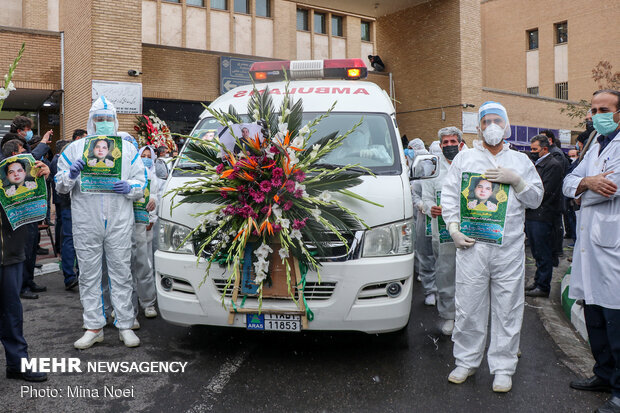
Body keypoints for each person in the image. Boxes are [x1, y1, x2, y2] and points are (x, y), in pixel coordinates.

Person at [441, 101, 543, 393]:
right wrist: (453, 228)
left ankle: (502, 367)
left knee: (507, 307)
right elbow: (449, 197)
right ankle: (466, 361)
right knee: (469, 305)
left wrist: (519, 182)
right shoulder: (465, 159)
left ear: (507, 124)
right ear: (478, 126)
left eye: (497, 120)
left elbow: (536, 199)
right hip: (472, 246)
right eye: (486, 121)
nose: (492, 126)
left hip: (508, 248)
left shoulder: (521, 161)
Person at [55, 96, 146, 349]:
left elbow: (141, 182)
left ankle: (125, 324)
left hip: (119, 220)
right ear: (91, 120)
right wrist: (71, 174)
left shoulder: (127, 148)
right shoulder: (75, 149)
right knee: (89, 274)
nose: (103, 123)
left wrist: (130, 186)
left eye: (108, 119)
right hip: (86, 221)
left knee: (121, 273)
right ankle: (94, 325)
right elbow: (61, 184)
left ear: (115, 120)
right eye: (99, 118)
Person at [564, 89, 620, 413]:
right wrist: (586, 183)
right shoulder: (594, 145)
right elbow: (568, 183)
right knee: (595, 317)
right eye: (594, 108)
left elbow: (612, 186)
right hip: (591, 248)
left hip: (613, 249)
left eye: (604, 108)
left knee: (616, 323)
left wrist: (583, 189)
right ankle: (603, 374)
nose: (596, 113)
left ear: (618, 113)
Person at [0, 158, 50, 383]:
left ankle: (17, 364)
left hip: (10, 253)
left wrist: (42, 177)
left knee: (12, 312)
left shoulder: (7, 168)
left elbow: (30, 198)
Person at [422, 126, 465, 335]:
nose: (449, 146)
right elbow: (426, 197)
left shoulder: (470, 163)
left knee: (471, 276)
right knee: (446, 274)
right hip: (443, 233)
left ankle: (468, 318)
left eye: (452, 142)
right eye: (445, 143)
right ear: (440, 146)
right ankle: (449, 317)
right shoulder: (433, 169)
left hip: (469, 231)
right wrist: (430, 208)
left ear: (461, 143)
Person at [524, 135, 563, 298]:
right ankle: (538, 281)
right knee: (536, 251)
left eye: (535, 150)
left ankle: (543, 285)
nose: (532, 153)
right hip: (534, 214)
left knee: (543, 251)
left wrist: (529, 198)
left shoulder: (552, 165)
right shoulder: (539, 164)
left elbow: (545, 192)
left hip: (543, 215)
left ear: (545, 149)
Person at [131, 145, 160, 319]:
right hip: (125, 226)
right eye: (143, 155)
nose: (146, 158)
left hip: (143, 225)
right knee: (125, 268)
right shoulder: (127, 173)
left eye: (149, 156)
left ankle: (148, 302)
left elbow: (154, 195)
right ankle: (128, 307)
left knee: (144, 264)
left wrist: (151, 212)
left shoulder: (150, 176)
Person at [411, 140, 437, 306]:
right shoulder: (421, 176)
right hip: (424, 219)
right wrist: (421, 204)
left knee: (445, 259)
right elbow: (414, 194)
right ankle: (430, 291)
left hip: (444, 222)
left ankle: (445, 292)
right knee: (426, 254)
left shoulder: (450, 175)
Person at [50, 140, 79, 290]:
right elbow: (60, 184)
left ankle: (75, 274)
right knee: (70, 239)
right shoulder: (61, 162)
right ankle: (70, 276)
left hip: (71, 204)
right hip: (68, 204)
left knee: (72, 239)